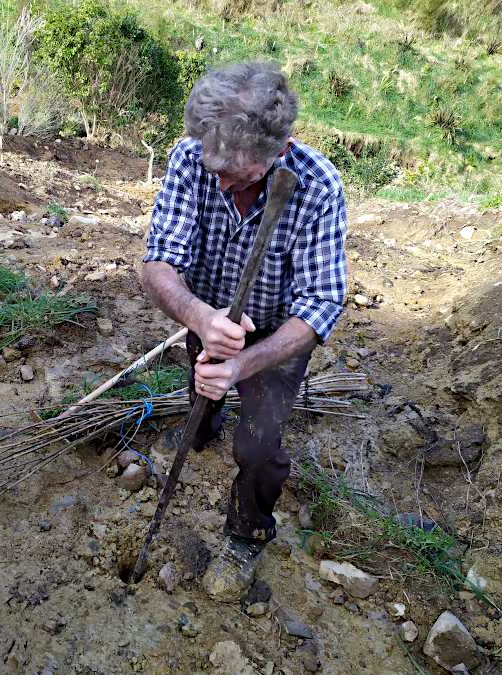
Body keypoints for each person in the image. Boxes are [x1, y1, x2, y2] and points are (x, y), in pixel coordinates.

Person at [141, 61, 348, 601]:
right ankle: (200, 426)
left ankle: (247, 532)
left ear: (278, 151)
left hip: (279, 337)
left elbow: (321, 304)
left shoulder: (318, 187)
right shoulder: (192, 158)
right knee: (201, 379)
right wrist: (201, 319)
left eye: (234, 171)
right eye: (212, 165)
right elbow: (159, 261)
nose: (219, 179)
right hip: (206, 312)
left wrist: (244, 365)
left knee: (258, 447)